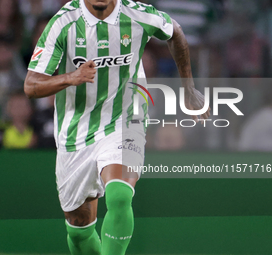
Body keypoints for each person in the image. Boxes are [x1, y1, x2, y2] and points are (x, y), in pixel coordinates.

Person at [24, 0, 211, 254]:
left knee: (120, 197)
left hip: (125, 118)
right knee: (79, 230)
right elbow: (32, 85)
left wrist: (189, 89)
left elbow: (174, 31)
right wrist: (71, 77)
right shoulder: (63, 23)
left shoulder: (137, 14)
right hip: (75, 131)